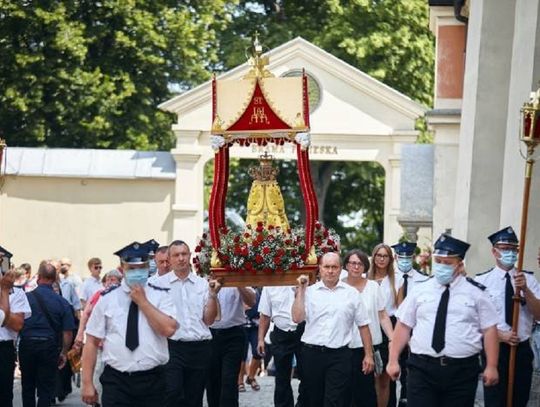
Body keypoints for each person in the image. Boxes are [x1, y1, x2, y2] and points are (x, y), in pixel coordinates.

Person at [387, 233, 499, 406]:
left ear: (459, 264)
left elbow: (490, 329)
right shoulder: (420, 290)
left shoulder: (476, 292)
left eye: (447, 263)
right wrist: (393, 360)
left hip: (461, 371)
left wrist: (491, 365)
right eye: (438, 261)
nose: (441, 266)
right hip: (422, 369)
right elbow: (403, 326)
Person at [81, 242, 177, 406]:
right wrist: (87, 383)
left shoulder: (161, 295)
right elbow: (91, 341)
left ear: (148, 267)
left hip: (153, 381)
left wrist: (143, 303)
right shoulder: (107, 299)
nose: (137, 272)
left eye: (141, 267)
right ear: (122, 269)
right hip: (117, 382)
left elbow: (169, 329)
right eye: (132, 268)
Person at [292, 252, 375, 407]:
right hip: (312, 355)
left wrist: (368, 355)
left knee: (334, 400)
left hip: (340, 356)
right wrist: (301, 292)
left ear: (341, 269)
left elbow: (363, 325)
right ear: (320, 269)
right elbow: (297, 318)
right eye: (327, 267)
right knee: (312, 399)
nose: (330, 271)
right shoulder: (309, 292)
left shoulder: (352, 294)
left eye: (334, 267)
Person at [475, 226, 540, 407]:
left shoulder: (529, 280)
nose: (509, 253)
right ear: (494, 251)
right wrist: (499, 335)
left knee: (519, 400)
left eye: (513, 249)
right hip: (495, 349)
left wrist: (525, 290)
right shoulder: (482, 282)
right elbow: (474, 320)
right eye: (505, 249)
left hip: (521, 350)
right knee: (495, 400)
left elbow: (539, 313)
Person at [163, 240, 221, 407]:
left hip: (200, 347)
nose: (181, 258)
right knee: (172, 392)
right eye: (176, 255)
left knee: (194, 397)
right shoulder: (158, 285)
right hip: (172, 347)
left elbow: (209, 320)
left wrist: (212, 296)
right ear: (169, 259)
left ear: (189, 256)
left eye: (184, 254)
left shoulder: (203, 284)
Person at [19, 261, 76, 407]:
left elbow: (17, 324)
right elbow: (68, 332)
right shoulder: (62, 302)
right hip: (49, 346)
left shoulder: (25, 298)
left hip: (27, 344)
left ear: (38, 277)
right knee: (46, 388)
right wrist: (63, 352)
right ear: (55, 279)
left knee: (28, 386)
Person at [343, 249, 393, 407]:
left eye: (360, 264)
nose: (356, 267)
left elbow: (383, 315)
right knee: (345, 392)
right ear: (346, 266)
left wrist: (392, 339)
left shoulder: (373, 287)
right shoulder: (339, 287)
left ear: (365, 267)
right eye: (352, 263)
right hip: (344, 348)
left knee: (367, 393)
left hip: (369, 348)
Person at [72, 269, 122, 404]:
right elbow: (86, 314)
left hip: (116, 346)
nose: (110, 282)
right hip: (98, 344)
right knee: (97, 373)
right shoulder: (98, 295)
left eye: (114, 279)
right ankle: (97, 401)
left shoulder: (124, 296)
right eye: (108, 280)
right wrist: (80, 334)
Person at [206, 283, 256, 407]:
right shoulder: (203, 277)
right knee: (212, 380)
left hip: (234, 334)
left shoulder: (235, 274)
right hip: (209, 334)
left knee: (229, 379)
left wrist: (239, 284)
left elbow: (251, 301)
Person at [391, 241, 427, 406]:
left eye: (408, 257)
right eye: (401, 257)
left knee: (409, 367)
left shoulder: (423, 280)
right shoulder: (389, 277)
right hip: (390, 325)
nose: (405, 260)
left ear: (413, 257)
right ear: (396, 257)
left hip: (414, 327)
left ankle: (406, 400)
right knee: (390, 366)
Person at [258, 285, 306, 407]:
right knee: (281, 377)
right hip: (281, 332)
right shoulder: (270, 286)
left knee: (307, 374)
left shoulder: (306, 281)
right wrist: (260, 340)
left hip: (305, 332)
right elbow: (265, 315)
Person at [0, 246, 32, 407]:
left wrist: (4, 291)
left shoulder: (16, 293)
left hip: (3, 348)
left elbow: (17, 324)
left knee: (4, 395)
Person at [368, 243, 398, 407]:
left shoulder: (396, 279)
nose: (381, 259)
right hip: (369, 325)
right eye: (378, 255)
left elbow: (399, 308)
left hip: (389, 327)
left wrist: (394, 337)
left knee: (385, 376)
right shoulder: (365, 278)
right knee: (370, 375)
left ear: (390, 259)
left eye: (385, 256)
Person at [238, 287, 263, 393]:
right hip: (241, 324)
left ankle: (251, 377)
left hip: (255, 324)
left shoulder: (258, 289)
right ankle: (239, 381)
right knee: (241, 354)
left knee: (258, 352)